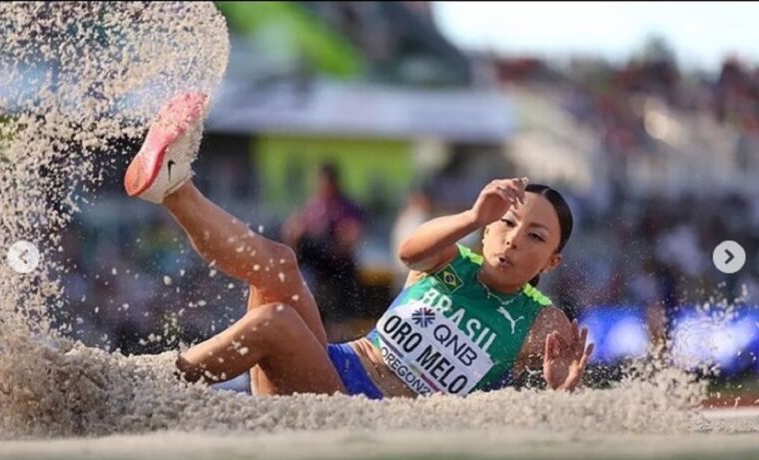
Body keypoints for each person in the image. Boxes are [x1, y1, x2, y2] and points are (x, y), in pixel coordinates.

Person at [124, 92, 593, 398]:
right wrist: (471, 215)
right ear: (488, 230)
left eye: (535, 236)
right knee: (279, 263)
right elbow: (408, 252)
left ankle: (156, 384)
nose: (513, 239)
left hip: (360, 407)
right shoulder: (449, 258)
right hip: (326, 369)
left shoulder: (543, 320)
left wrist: (560, 395)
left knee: (276, 321)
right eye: (507, 223)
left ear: (552, 259)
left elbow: (559, 409)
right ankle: (173, 188)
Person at [281, 162, 364, 323]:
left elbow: (351, 237)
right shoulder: (313, 205)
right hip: (314, 270)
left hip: (338, 272)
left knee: (338, 321)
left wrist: (331, 242)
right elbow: (292, 231)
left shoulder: (345, 207)